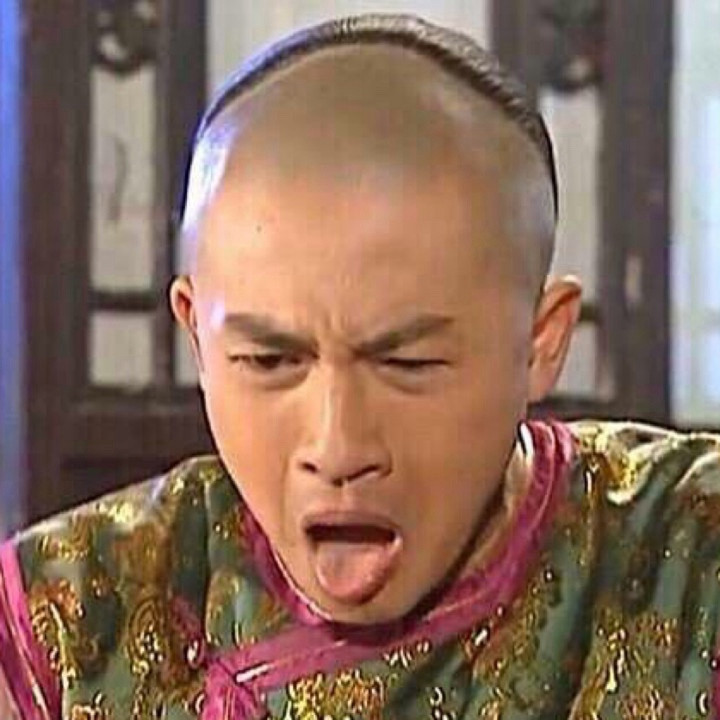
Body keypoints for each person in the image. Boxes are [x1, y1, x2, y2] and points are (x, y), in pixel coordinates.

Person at [1, 13, 719, 720]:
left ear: (540, 342)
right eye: (270, 360)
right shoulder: (69, 624)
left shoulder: (689, 563)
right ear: (198, 338)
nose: (338, 448)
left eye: (409, 362)